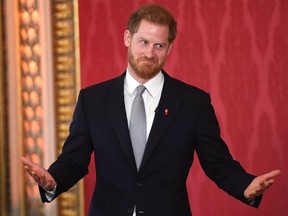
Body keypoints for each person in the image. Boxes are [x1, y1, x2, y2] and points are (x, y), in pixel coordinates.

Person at [21, 3, 281, 216]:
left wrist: (246, 186)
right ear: (127, 38)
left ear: (169, 47)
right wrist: (52, 180)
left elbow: (218, 163)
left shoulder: (193, 102)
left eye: (159, 45)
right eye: (143, 42)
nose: (149, 52)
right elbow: (74, 160)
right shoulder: (93, 99)